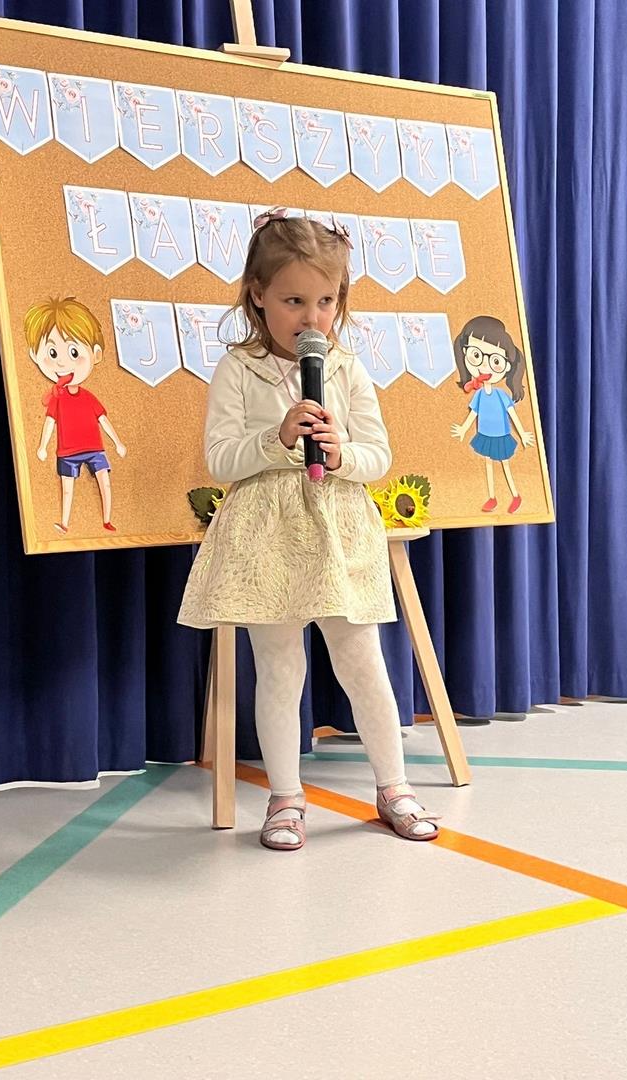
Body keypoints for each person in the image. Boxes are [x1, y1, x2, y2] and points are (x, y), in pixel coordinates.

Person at [178, 208, 440, 850]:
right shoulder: (239, 368)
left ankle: (394, 787)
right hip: (267, 533)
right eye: (293, 301)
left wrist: (342, 451)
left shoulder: (346, 367)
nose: (312, 317)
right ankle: (286, 797)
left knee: (362, 661)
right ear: (257, 296)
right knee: (278, 666)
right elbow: (221, 458)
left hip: (339, 529)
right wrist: (277, 439)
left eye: (326, 301)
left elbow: (379, 455)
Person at [24, 296, 126, 534]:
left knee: (104, 481)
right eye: (52, 352)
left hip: (94, 448)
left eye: (73, 352)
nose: (62, 363)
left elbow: (103, 420)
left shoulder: (88, 397)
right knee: (67, 488)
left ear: (96, 354)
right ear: (35, 355)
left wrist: (118, 442)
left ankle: (107, 519)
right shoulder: (57, 399)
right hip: (67, 452)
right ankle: (65, 522)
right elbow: (49, 423)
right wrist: (42, 447)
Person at [450, 314, 535, 513]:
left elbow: (512, 414)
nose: (484, 365)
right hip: (485, 434)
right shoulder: (479, 394)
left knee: (504, 463)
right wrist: (463, 429)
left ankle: (515, 495)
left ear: (507, 366)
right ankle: (492, 497)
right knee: (488, 463)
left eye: (495, 360)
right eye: (476, 355)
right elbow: (473, 414)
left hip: (501, 435)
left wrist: (522, 433)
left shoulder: (501, 395)